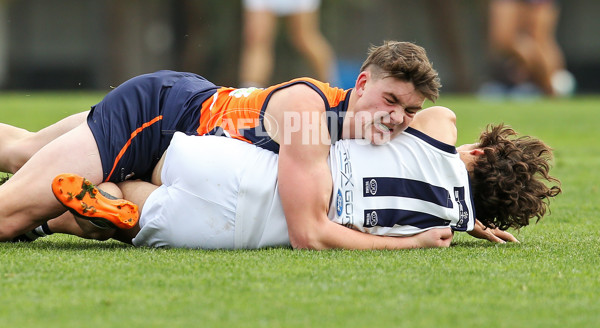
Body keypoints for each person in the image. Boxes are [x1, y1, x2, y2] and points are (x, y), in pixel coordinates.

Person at [0, 41, 445, 248]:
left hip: (183, 120)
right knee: (7, 215)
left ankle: (78, 209)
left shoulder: (365, 123)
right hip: (154, 118)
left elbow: (438, 137)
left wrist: (460, 213)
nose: (396, 119)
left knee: (24, 151)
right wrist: (413, 242)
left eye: (408, 111)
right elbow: (308, 234)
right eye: (390, 100)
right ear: (361, 83)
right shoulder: (309, 114)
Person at [42, 106, 560, 249]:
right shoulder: (441, 229)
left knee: (134, 160)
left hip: (245, 170)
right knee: (134, 208)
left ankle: (80, 189)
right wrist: (470, 221)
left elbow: (436, 116)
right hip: (239, 233)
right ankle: (72, 221)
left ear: (480, 148)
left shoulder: (440, 131)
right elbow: (456, 199)